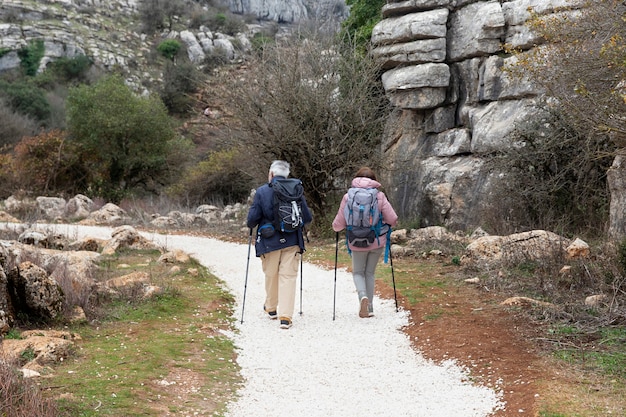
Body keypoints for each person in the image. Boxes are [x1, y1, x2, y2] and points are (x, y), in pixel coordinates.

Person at [247, 160, 313, 329]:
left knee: (271, 274)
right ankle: (285, 316)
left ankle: (271, 308)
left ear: (271, 174)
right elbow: (306, 217)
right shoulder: (296, 190)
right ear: (287, 175)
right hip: (292, 240)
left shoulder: (262, 191)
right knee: (288, 277)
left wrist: (252, 223)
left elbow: (252, 220)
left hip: (269, 241)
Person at [332, 167, 398, 318]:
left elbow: (338, 225)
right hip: (376, 240)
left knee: (357, 272)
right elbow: (393, 219)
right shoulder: (379, 196)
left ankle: (362, 297)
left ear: (356, 179)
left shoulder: (348, 196)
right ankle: (370, 307)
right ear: (373, 180)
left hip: (356, 240)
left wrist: (337, 227)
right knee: (369, 273)